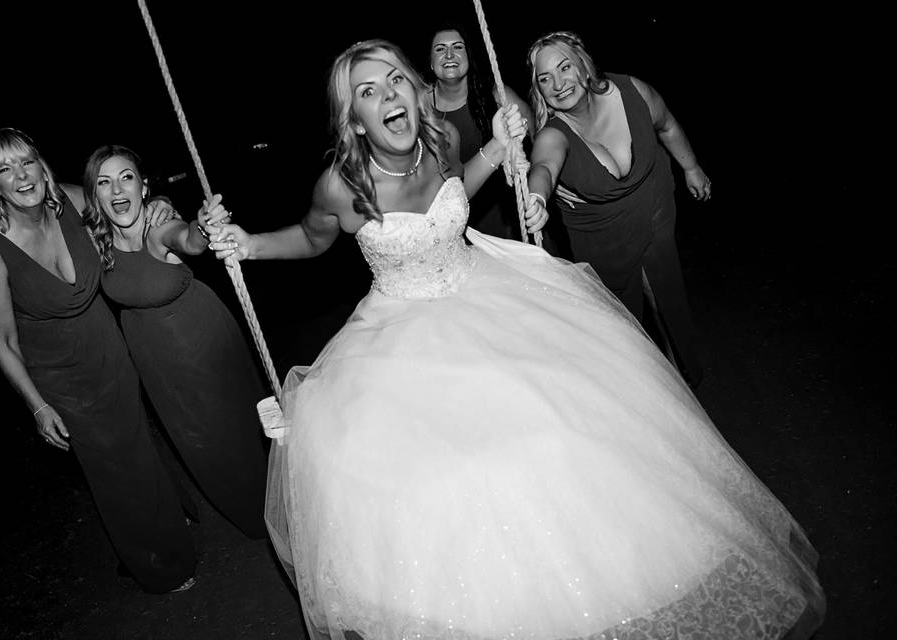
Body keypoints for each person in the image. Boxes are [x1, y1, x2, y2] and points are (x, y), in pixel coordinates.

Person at [206, 39, 823, 639]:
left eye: (396, 80)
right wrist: (250, 245)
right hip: (400, 331)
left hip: (486, 289)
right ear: (357, 119)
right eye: (368, 91)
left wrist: (500, 148)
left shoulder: (441, 140)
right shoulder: (342, 186)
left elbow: (462, 185)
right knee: (453, 472)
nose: (388, 95)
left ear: (415, 92)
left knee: (569, 418)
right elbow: (314, 239)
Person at [0, 128, 197, 593]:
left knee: (136, 441)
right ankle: (156, 562)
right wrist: (38, 406)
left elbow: (125, 203)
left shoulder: (73, 199)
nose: (21, 176)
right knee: (110, 467)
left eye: (27, 161)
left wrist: (162, 205)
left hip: (108, 347)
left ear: (41, 164)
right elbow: (1, 339)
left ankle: (168, 516)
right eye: (4, 169)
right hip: (59, 376)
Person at [81, 144, 270, 541]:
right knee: (198, 442)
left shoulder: (159, 228)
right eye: (104, 182)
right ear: (93, 195)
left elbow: (188, 240)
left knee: (238, 432)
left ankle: (278, 508)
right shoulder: (96, 240)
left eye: (127, 177)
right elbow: (49, 188)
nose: (117, 189)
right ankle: (252, 513)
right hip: (156, 361)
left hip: (203, 342)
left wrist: (202, 226)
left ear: (144, 186)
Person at [525, 31, 710, 386]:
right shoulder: (555, 133)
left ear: (583, 64)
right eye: (544, 78)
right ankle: (645, 389)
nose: (558, 84)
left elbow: (667, 125)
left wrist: (691, 167)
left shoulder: (632, 91)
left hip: (651, 205)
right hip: (603, 237)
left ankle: (682, 384)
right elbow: (544, 167)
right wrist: (536, 198)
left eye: (565, 68)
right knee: (625, 327)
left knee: (664, 295)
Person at [427, 23, 544, 244]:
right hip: (446, 226)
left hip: (503, 215)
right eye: (440, 49)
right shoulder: (417, 107)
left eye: (457, 47)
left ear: (468, 56)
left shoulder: (498, 96)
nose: (449, 54)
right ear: (431, 62)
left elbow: (539, 138)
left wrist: (541, 189)